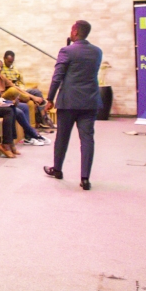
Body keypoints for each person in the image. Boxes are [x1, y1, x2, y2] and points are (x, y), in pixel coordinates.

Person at [44, 20, 104, 190]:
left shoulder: (66, 51)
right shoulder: (97, 52)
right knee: (87, 139)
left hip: (69, 101)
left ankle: (57, 169)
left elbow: (58, 76)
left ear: (75, 31)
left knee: (62, 137)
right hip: (90, 101)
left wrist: (50, 98)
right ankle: (85, 178)